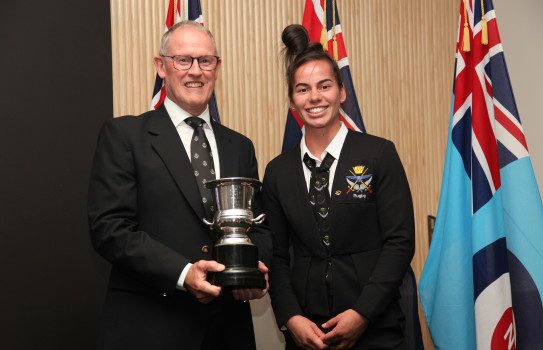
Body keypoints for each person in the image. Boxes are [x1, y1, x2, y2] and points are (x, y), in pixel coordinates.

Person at [88, 21, 272, 350]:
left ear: (217, 67)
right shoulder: (125, 136)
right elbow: (110, 228)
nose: (196, 71)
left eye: (205, 60)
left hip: (229, 331)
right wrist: (183, 272)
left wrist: (254, 269)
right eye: (183, 60)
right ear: (161, 66)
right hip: (151, 327)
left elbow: (257, 225)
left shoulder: (239, 146)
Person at [263, 24, 415, 350]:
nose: (314, 97)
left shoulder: (379, 154)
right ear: (292, 100)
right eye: (302, 89)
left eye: (325, 86)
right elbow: (276, 257)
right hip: (307, 334)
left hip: (376, 328)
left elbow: (399, 243)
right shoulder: (276, 172)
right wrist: (290, 317)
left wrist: (362, 313)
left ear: (342, 92)